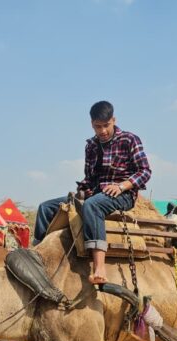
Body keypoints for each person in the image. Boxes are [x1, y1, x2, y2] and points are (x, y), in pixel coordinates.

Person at [33, 101, 151, 284]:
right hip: (96, 192)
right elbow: (90, 177)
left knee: (92, 205)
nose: (102, 131)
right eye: (98, 126)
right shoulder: (91, 146)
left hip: (123, 194)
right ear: (91, 124)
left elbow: (145, 172)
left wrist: (122, 186)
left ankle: (99, 267)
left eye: (106, 125)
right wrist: (81, 191)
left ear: (114, 120)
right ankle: (37, 258)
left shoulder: (130, 139)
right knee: (46, 207)